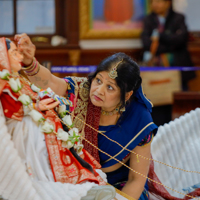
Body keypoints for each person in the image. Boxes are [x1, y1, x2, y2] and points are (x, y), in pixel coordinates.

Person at [14, 33, 158, 199]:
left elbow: (136, 181)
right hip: (80, 184)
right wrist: (30, 62)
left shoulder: (139, 118)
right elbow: (50, 82)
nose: (98, 90)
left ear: (126, 95)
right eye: (98, 80)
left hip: (122, 190)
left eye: (110, 87)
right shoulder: (81, 91)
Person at [0, 38, 109, 187]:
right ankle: (45, 174)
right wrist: (35, 107)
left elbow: (34, 94)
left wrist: (48, 99)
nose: (19, 57)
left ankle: (68, 172)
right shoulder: (3, 82)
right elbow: (9, 108)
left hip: (39, 120)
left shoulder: (18, 78)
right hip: (21, 128)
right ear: (3, 58)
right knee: (37, 131)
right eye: (14, 54)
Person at [141, 0, 195, 90]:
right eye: (153, 2)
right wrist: (170, 42)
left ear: (167, 3)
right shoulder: (148, 19)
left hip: (177, 65)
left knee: (180, 95)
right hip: (155, 67)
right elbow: (146, 43)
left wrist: (160, 36)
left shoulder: (178, 18)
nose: (155, 5)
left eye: (158, 2)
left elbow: (180, 40)